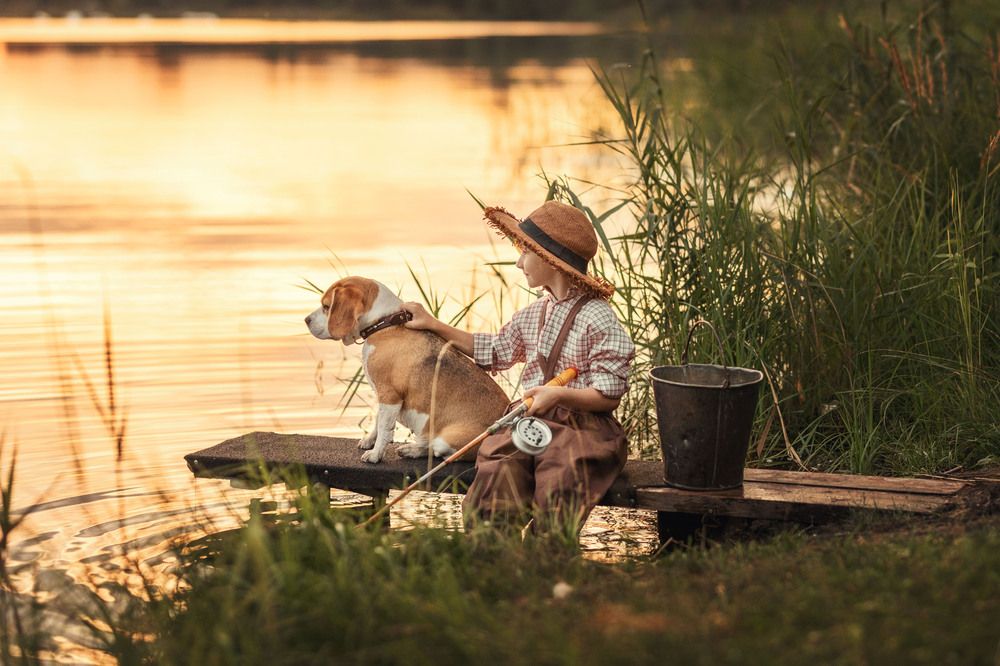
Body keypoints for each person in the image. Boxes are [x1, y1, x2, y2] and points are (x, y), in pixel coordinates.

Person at [401, 200, 635, 534]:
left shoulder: (597, 318)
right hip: (533, 420)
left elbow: (608, 395)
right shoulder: (535, 313)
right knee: (497, 468)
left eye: (525, 252)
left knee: (561, 478)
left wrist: (557, 396)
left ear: (550, 260)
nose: (518, 262)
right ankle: (493, 550)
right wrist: (433, 323)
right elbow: (494, 350)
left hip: (583, 428)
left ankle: (548, 551)